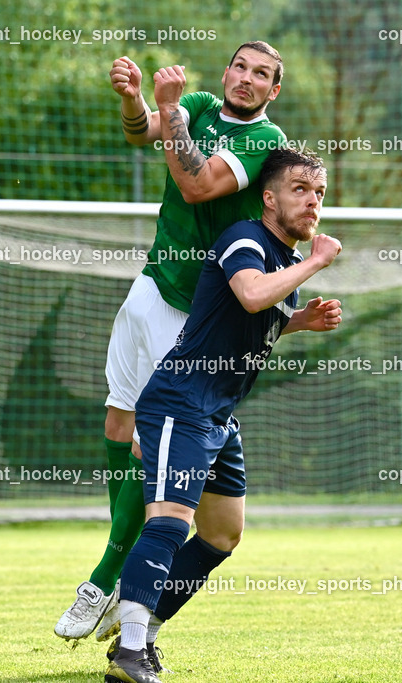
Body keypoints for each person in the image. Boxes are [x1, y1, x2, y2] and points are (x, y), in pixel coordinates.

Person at [55, 41, 290, 643]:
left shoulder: (264, 141)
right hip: (151, 286)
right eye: (241, 66)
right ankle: (116, 572)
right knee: (115, 423)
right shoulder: (204, 105)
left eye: (261, 75)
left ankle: (107, 577)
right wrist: (137, 100)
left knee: (147, 448)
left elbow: (195, 184)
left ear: (273, 91)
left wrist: (170, 111)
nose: (246, 79)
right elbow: (142, 133)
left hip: (192, 316)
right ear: (227, 71)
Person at [105, 148, 341, 683]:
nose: (312, 202)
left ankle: (144, 630)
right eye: (300, 189)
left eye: (319, 194)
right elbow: (251, 296)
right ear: (269, 197)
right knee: (168, 522)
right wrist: (319, 260)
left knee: (221, 536)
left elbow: (251, 322)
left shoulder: (283, 261)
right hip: (180, 403)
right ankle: (129, 651)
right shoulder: (246, 239)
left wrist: (299, 320)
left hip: (219, 415)